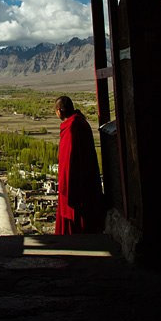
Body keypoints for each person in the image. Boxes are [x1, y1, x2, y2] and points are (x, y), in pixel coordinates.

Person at [54, 96, 105, 234]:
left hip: (76, 187)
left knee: (77, 226)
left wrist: (65, 188)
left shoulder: (73, 128)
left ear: (59, 111)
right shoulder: (79, 123)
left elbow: (68, 162)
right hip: (85, 182)